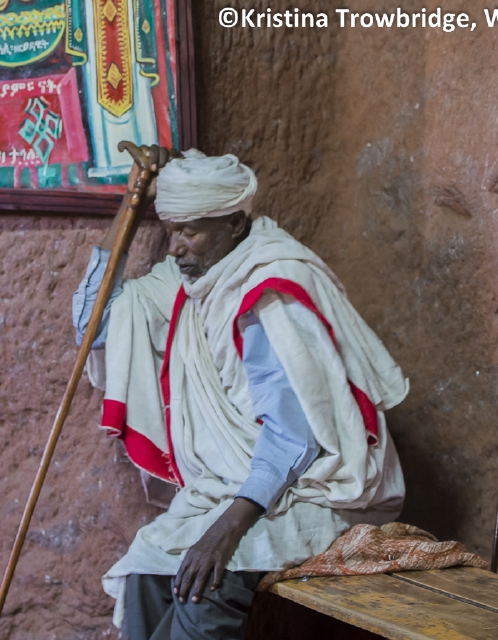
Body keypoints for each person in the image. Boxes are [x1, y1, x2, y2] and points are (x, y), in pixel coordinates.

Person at [73, 143, 408, 639]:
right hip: (235, 485)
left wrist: (227, 528)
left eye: (189, 231)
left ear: (232, 223)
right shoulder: (192, 281)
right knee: (146, 572)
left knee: (206, 581)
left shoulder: (271, 286)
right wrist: (131, 200)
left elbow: (295, 437)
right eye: (170, 230)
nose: (174, 247)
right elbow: (95, 322)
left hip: (313, 488)